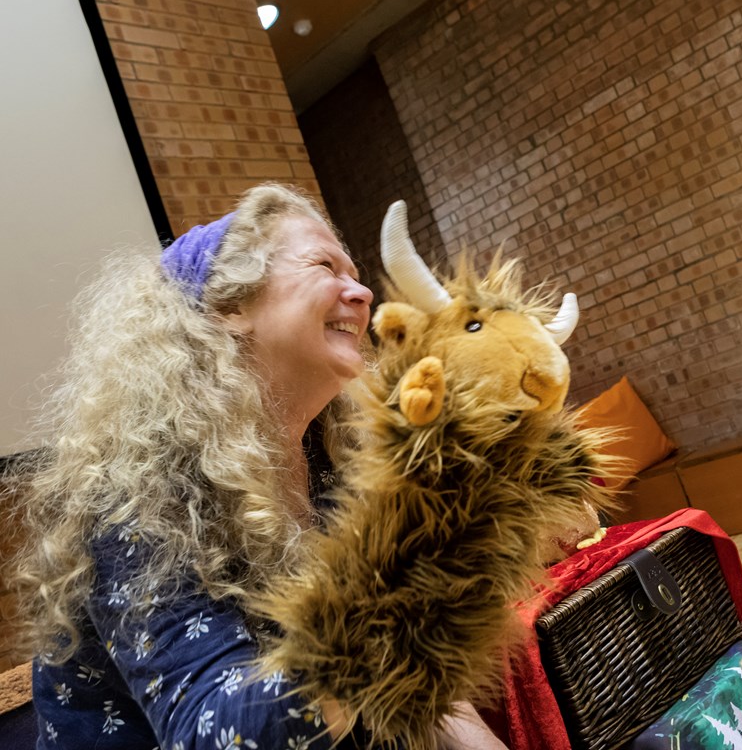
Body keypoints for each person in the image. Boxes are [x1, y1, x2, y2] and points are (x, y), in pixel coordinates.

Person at [10, 184, 507, 748]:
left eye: (357, 273)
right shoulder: (135, 502)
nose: (364, 291)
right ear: (230, 308)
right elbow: (223, 734)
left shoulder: (332, 465)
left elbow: (421, 694)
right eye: (325, 265)